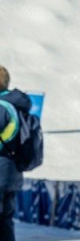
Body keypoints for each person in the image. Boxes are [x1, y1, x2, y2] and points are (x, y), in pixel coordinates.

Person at [0, 64, 32, 241]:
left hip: (1, 169)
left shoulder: (2, 107)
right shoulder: (16, 106)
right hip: (12, 171)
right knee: (5, 221)